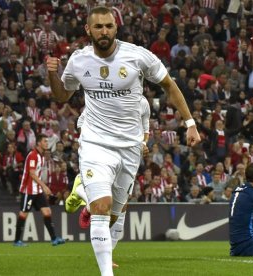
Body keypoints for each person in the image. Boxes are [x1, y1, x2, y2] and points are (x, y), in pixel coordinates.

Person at [47, 6, 200, 276]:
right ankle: (107, 273)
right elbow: (62, 97)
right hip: (95, 142)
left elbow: (169, 86)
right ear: (88, 30)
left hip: (129, 148)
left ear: (116, 27)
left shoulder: (138, 56)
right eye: (98, 27)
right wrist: (52, 74)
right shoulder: (79, 60)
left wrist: (190, 123)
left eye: (108, 25)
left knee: (115, 214)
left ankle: (83, 192)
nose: (104, 31)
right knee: (102, 209)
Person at [65, 95, 151, 268]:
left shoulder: (142, 103)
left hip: (127, 155)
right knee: (105, 202)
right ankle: (87, 198)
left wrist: (143, 144)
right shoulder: (103, 94)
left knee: (122, 205)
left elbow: (145, 130)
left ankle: (84, 197)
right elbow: (81, 123)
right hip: (101, 154)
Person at [13, 134, 65, 247]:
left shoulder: (41, 156)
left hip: (37, 190)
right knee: (23, 214)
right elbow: (32, 174)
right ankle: (17, 241)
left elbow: (36, 174)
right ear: (38, 143)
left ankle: (54, 239)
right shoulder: (33, 155)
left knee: (47, 212)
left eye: (47, 141)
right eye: (44, 141)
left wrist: (42, 187)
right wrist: (45, 186)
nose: (47, 143)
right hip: (29, 190)